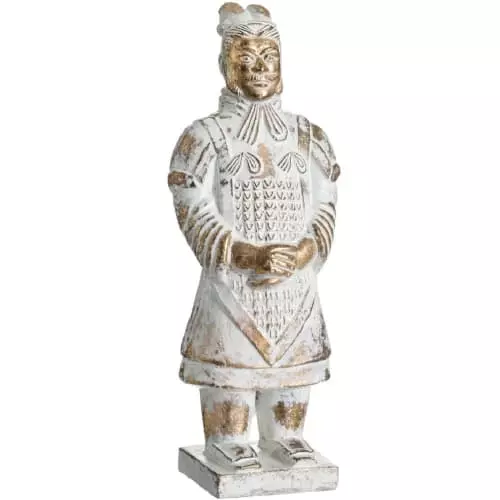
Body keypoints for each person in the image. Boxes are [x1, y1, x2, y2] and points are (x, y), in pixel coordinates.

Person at [168, 2, 341, 470]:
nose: (260, 67)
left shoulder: (308, 134)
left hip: (295, 283)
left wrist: (304, 250)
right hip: (231, 283)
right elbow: (191, 204)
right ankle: (227, 439)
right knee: (230, 365)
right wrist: (244, 253)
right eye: (246, 56)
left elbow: (326, 202)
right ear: (225, 63)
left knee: (293, 370)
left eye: (269, 56)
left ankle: (287, 436)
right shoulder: (204, 136)